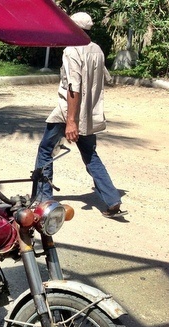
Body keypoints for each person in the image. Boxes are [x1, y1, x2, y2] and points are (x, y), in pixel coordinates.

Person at [34, 12, 126, 218]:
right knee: (90, 155)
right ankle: (112, 199)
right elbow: (104, 77)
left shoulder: (71, 50)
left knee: (45, 151)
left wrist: (71, 121)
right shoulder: (97, 50)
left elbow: (73, 87)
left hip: (68, 113)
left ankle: (43, 199)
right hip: (88, 114)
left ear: (72, 28)